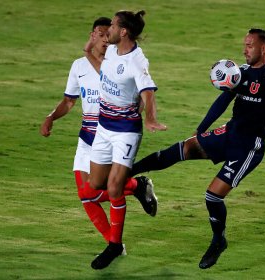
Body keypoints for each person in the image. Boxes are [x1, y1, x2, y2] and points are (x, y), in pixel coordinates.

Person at [130, 28, 265, 269]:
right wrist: (202, 128)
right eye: (245, 44)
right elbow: (223, 100)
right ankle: (130, 171)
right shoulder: (241, 73)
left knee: (212, 196)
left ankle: (218, 241)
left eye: (250, 45)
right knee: (182, 148)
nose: (245, 49)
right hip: (228, 134)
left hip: (248, 148)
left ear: (264, 48)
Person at [40, 17, 158, 253]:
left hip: (112, 135)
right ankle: (116, 243)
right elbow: (69, 101)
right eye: (100, 33)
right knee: (86, 196)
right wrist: (51, 116)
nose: (105, 38)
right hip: (87, 138)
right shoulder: (80, 66)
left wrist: (145, 112)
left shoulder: (117, 62)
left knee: (94, 191)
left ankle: (133, 187)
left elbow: (141, 91)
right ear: (92, 35)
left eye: (108, 33)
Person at [88, 10, 167, 269]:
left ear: (123, 31)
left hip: (126, 132)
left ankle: (114, 245)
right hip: (103, 128)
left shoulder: (137, 60)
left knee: (112, 189)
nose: (107, 28)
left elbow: (148, 91)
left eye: (111, 25)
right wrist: (90, 49)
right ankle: (137, 185)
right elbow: (100, 63)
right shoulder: (111, 50)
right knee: (97, 183)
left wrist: (151, 118)